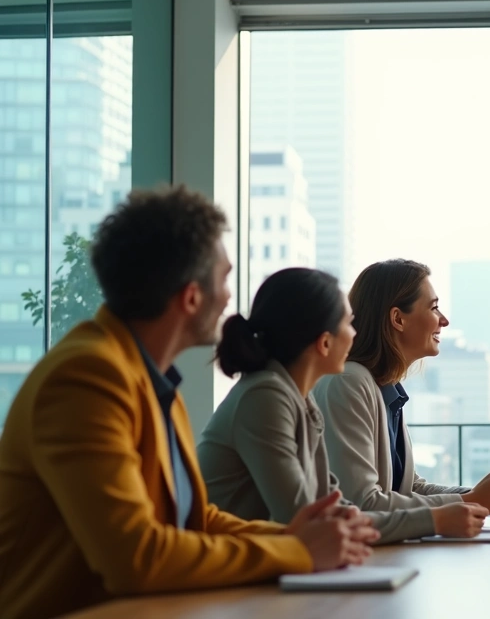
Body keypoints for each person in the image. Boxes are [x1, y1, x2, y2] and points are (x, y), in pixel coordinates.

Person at [0, 186, 377, 618]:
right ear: (192, 297)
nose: (231, 297)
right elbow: (137, 558)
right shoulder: (86, 378)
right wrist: (295, 550)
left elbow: (197, 519)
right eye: (225, 278)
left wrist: (295, 536)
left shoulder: (151, 382)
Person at [199, 268, 488, 541]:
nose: (355, 333)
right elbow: (308, 520)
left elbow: (337, 507)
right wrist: (435, 520)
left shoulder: (300, 401)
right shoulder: (265, 396)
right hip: (226, 577)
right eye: (348, 324)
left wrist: (446, 512)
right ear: (325, 343)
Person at [313, 259, 490, 515]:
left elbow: (408, 488)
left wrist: (478, 496)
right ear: (398, 319)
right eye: (434, 308)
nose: (444, 320)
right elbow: (362, 504)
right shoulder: (349, 382)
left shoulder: (384, 387)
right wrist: (473, 500)